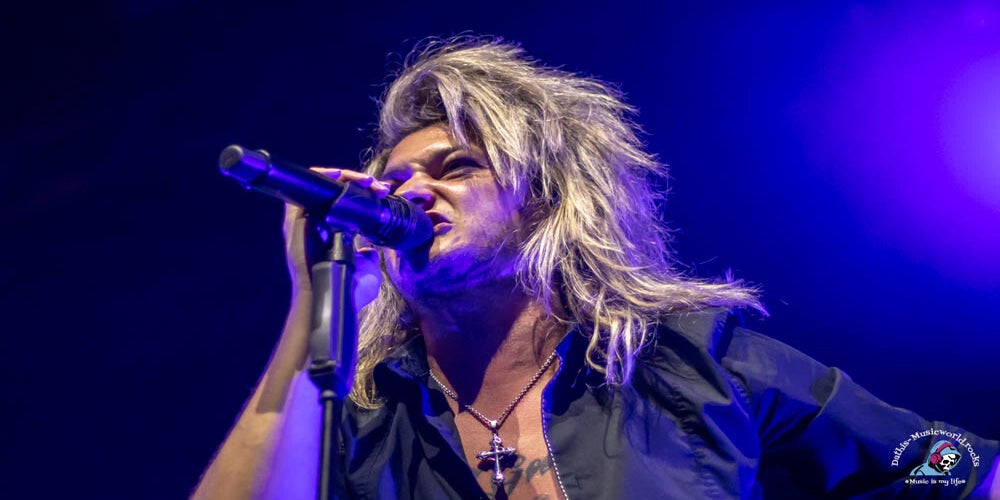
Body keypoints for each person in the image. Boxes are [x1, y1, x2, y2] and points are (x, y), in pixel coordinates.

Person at [193, 37, 1000, 499]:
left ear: (546, 201)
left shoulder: (687, 363)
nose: (410, 193)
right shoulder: (357, 416)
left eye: (456, 167)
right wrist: (313, 301)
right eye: (395, 180)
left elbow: (960, 471)